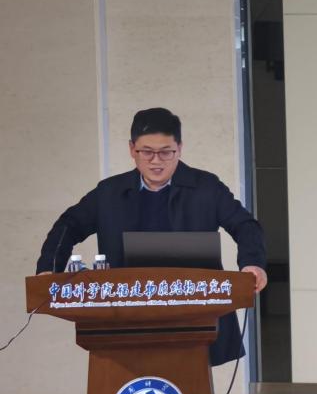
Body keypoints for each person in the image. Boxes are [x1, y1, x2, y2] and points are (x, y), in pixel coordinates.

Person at [36, 107, 267, 366]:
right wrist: (49, 268)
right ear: (132, 149)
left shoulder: (206, 187)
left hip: (194, 316)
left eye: (166, 152)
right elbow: (68, 225)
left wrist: (252, 263)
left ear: (179, 148)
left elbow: (245, 225)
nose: (156, 161)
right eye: (146, 152)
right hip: (124, 317)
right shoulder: (110, 193)